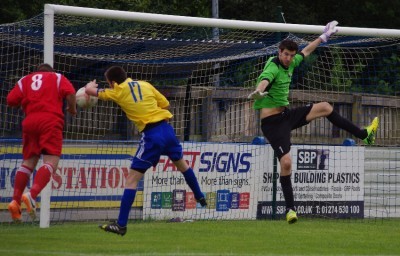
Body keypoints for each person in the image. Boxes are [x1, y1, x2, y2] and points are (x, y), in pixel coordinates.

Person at [248, 21, 379, 224]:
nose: (289, 58)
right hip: (273, 124)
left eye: (291, 55)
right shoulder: (273, 66)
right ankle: (291, 210)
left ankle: (364, 135)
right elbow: (265, 79)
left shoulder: (291, 62)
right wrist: (259, 90)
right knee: (287, 163)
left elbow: (306, 51)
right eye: (285, 55)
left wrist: (323, 37)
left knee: (325, 107)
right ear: (279, 52)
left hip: (286, 116)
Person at [85, 66, 207, 236]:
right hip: (167, 130)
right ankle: (200, 196)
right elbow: (165, 103)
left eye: (109, 83)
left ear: (112, 83)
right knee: (182, 165)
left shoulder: (117, 91)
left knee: (131, 180)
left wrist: (89, 86)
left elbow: (91, 91)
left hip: (151, 135)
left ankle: (121, 225)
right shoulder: (145, 84)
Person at [7, 63, 77, 222]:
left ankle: (15, 200)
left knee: (28, 161)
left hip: (30, 122)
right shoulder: (57, 77)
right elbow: (71, 93)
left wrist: (28, 100)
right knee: (51, 161)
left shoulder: (25, 80)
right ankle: (31, 195)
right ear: (50, 72)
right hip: (50, 121)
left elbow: (10, 100)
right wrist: (72, 109)